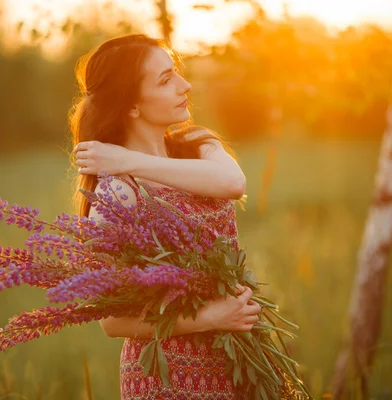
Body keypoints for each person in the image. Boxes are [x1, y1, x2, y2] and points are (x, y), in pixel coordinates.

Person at [69, 34, 261, 399]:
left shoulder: (199, 144)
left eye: (177, 72)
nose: (184, 85)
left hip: (235, 359)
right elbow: (112, 321)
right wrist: (211, 319)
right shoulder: (117, 195)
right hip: (166, 376)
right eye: (165, 79)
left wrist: (128, 160)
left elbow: (233, 182)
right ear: (133, 107)